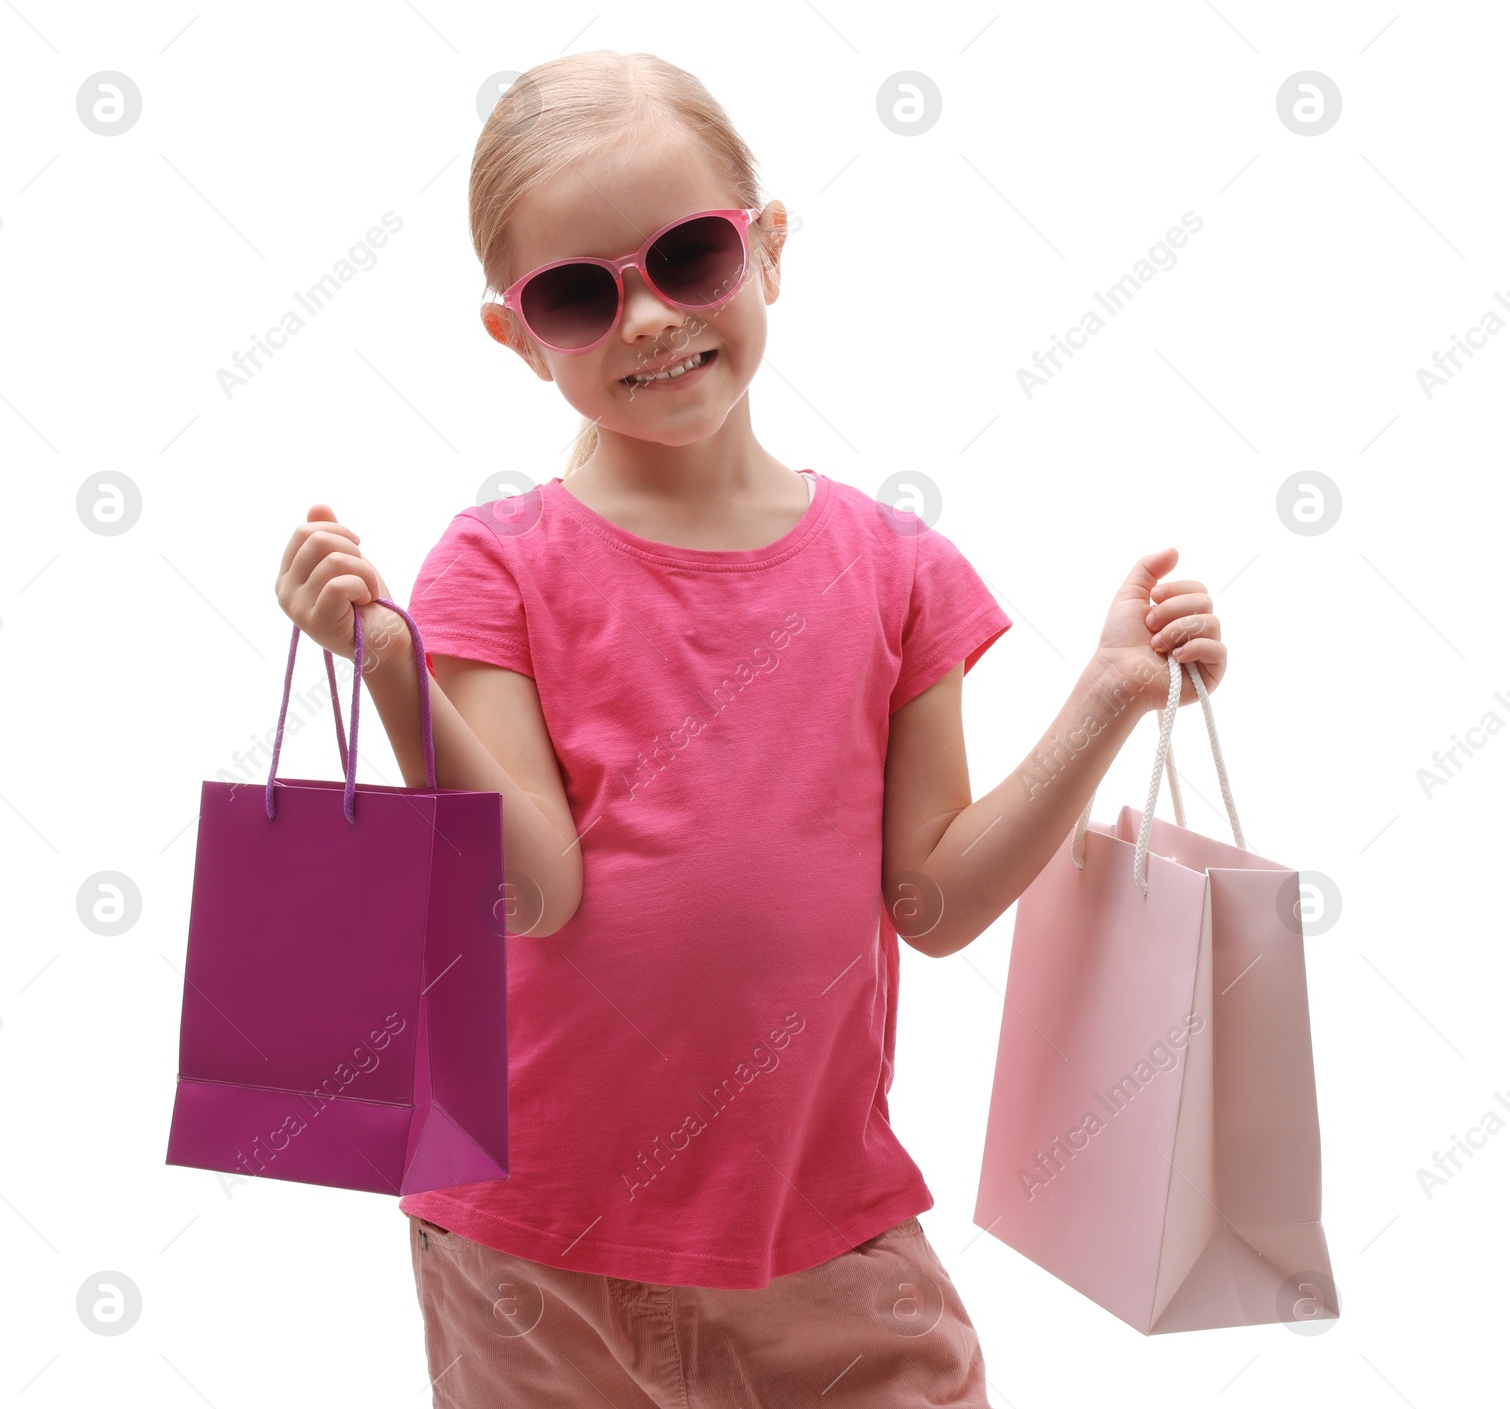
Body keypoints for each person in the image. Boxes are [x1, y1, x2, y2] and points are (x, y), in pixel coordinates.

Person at [273, 48, 1226, 1409]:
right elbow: (529, 890)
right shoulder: (495, 566)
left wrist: (1110, 693)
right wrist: (387, 667)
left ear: (768, 246)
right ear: (516, 334)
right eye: (579, 294)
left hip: (819, 1242)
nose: (649, 316)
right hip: (526, 1256)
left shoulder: (897, 571)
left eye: (689, 257)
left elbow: (934, 895)